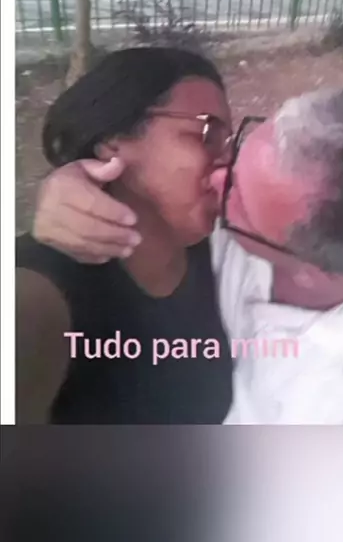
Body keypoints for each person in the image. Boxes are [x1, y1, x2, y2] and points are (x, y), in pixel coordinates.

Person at [30, 85, 343, 425]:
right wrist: (71, 189)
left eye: (237, 198)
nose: (215, 177)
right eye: (241, 147)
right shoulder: (255, 226)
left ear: (310, 272)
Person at [16, 46, 234, 424]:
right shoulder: (43, 288)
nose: (228, 164)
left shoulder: (225, 254)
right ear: (113, 142)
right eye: (206, 134)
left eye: (231, 142)